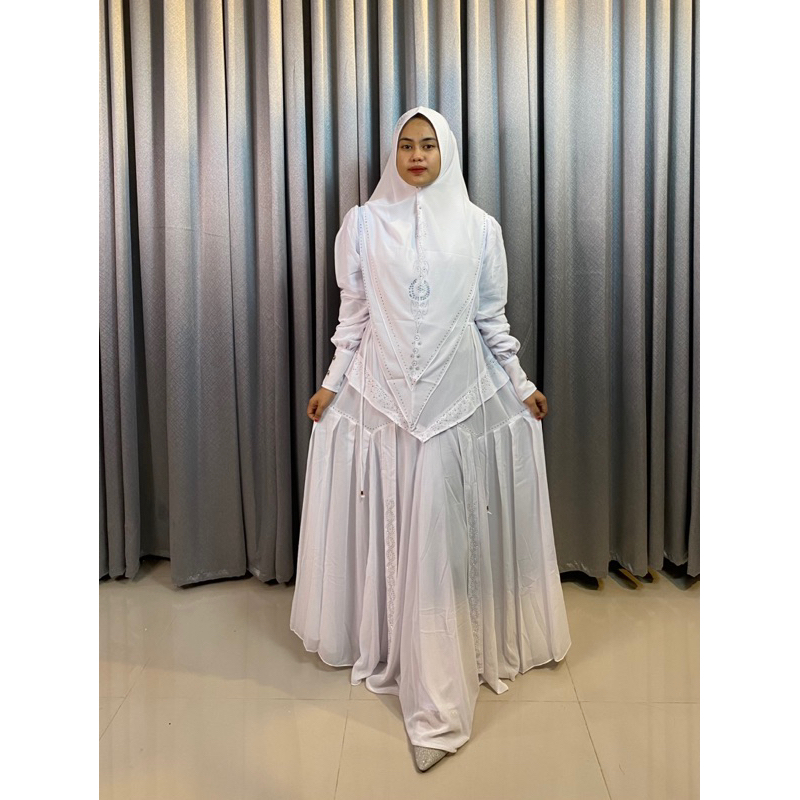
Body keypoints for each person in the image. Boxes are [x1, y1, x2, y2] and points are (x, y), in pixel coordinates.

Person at [290, 107, 571, 773]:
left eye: (429, 145)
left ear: (447, 154)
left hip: (454, 400)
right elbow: (355, 315)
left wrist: (520, 382)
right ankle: (397, 650)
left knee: (439, 537)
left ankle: (439, 701)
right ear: (394, 155)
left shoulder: (480, 230)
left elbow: (489, 318)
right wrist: (331, 384)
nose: (417, 155)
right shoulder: (364, 225)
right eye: (406, 145)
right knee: (396, 528)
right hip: (383, 398)